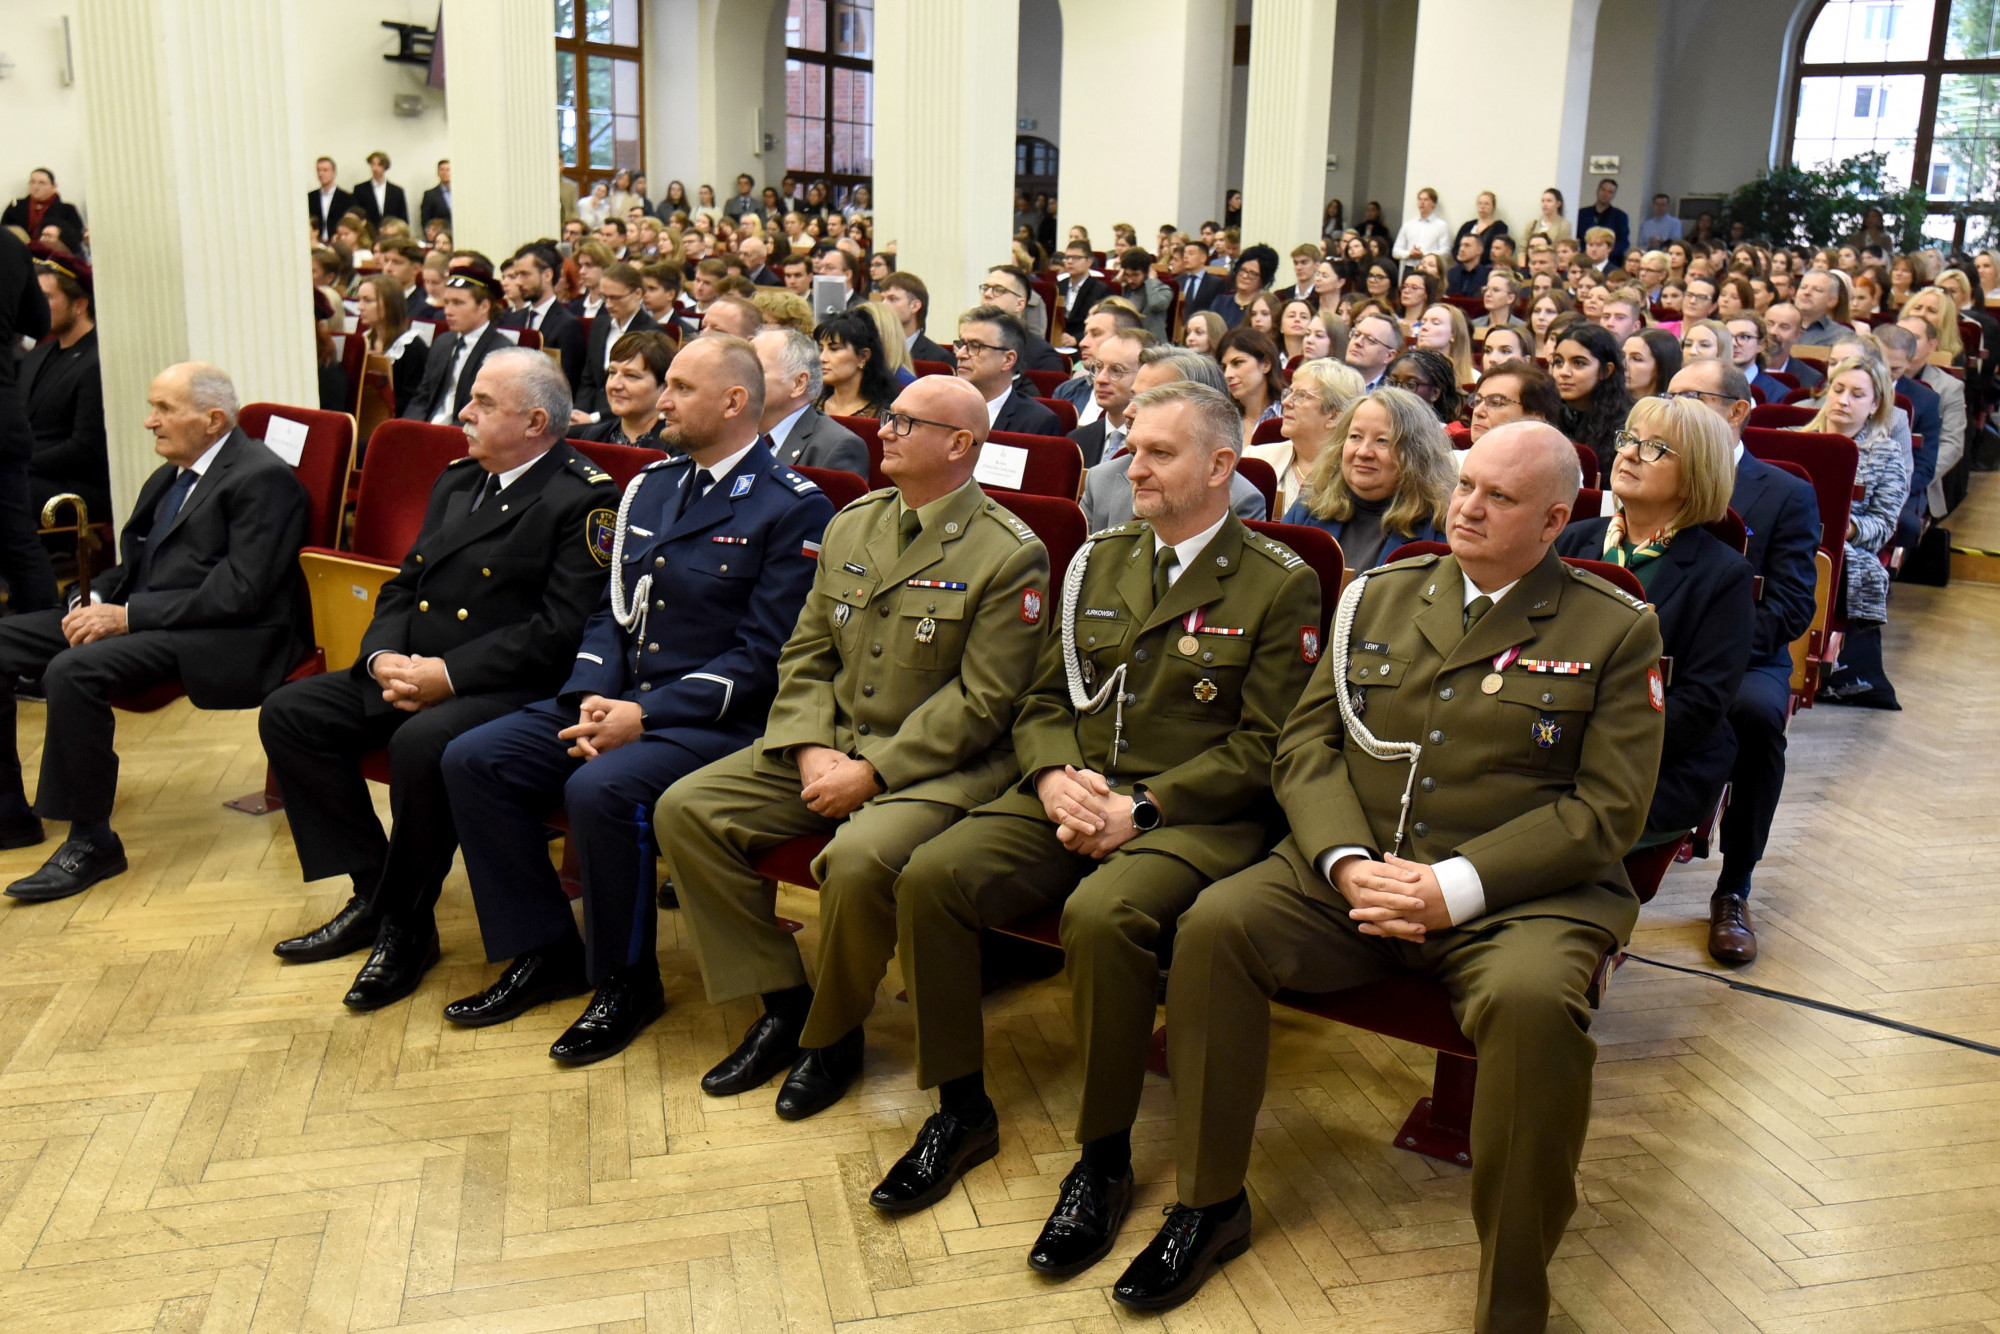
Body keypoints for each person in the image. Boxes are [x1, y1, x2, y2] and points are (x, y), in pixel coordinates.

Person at [1131, 420, 1664, 1319]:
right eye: (1467, 486)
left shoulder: (1613, 628)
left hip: (1520, 899)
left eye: (1501, 497)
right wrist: (1345, 863)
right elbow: (1307, 748)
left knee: (1534, 1008)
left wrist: (1450, 888)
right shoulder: (1378, 594)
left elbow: (1607, 811)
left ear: (1553, 521)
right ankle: (1208, 1203)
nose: (1470, 508)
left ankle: (1512, 1297)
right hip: (1356, 869)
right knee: (1217, 928)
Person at [876, 380, 1321, 1248]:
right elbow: (1044, 697)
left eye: (1159, 452)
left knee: (1102, 915)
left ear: (1220, 467)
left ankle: (1103, 1157)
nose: (1132, 466)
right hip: (1073, 788)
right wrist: (1051, 777)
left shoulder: (1278, 583)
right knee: (931, 877)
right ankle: (960, 1109)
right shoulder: (1099, 559)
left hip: (1192, 814)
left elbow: (1268, 746)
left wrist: (1144, 807)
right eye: (1132, 447)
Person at [658, 374, 1050, 1117]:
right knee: (687, 810)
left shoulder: (1008, 554)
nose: (885, 430)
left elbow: (985, 701)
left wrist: (873, 772)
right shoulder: (855, 522)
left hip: (939, 766)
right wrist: (810, 748)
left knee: (859, 861)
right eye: (889, 418)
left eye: (905, 422)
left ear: (959, 444)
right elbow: (807, 651)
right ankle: (783, 1001)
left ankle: (832, 1036)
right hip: (832, 742)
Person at [437, 336, 833, 1059]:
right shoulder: (651, 486)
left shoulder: (793, 508)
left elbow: (765, 657)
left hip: (716, 720)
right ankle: (545, 950)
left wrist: (645, 714)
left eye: (680, 388)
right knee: (475, 759)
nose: (663, 401)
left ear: (733, 402)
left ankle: (625, 981)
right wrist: (594, 692)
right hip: (619, 698)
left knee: (601, 790)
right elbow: (611, 613)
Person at [262, 349, 616, 1000]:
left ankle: (403, 926)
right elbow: (406, 585)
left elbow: (560, 630)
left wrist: (447, 675)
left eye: (484, 403)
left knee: (421, 743)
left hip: (512, 684)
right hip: (419, 668)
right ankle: (375, 894)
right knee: (292, 714)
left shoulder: (583, 498)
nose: (465, 413)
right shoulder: (461, 479)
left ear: (535, 422)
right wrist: (382, 659)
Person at [0, 363, 311, 900]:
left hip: (223, 636)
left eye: (164, 409)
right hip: (147, 616)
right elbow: (135, 565)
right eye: (152, 408)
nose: (150, 421)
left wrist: (127, 616)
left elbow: (242, 592)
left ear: (213, 419)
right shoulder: (173, 473)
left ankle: (91, 840)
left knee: (73, 670)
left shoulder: (262, 478)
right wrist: (95, 598)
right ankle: (8, 812)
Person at [1662, 359, 1819, 964]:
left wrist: (1715, 649)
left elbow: (1790, 605)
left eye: (1691, 397)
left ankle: (1734, 885)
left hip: (1746, 654)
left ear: (1736, 411)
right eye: (1669, 397)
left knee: (1754, 715)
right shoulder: (1650, 474)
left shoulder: (1784, 492)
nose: (1675, 410)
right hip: (1654, 642)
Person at [1557, 395, 1753, 851]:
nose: (1628, 454)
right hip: (1546, 743)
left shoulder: (1724, 574)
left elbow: (1702, 703)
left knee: (1555, 832)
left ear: (1695, 474)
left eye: (1654, 448)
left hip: (1655, 764)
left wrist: (1592, 743)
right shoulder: (1571, 541)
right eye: (1629, 439)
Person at [1801, 356, 1907, 708]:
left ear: (1875, 404)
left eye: (1857, 395)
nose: (1843, 400)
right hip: (1788, 538)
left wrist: (1847, 529)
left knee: (1836, 564)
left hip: (1844, 547)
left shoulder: (1886, 453)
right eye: (1838, 389)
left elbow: (1884, 523)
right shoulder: (1793, 438)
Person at [1081, 349, 1267, 532]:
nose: (1127, 412)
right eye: (1133, 397)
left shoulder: (1238, 500)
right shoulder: (1100, 480)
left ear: (1204, 409)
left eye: (1150, 401)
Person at [1283, 381, 1453, 566]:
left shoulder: (1438, 529)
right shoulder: (1309, 505)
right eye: (1355, 437)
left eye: (1382, 441)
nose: (1363, 452)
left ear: (1415, 453)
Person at [22, 255, 107, 519]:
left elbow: (85, 447)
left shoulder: (97, 359)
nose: (37, 307)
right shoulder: (36, 356)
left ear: (79, 304)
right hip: (32, 475)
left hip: (74, 483)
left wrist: (18, 462)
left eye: (46, 298)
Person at [1247, 357, 1363, 515]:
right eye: (1288, 393)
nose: (1286, 402)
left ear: (1334, 416)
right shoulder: (1255, 458)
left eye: (1301, 396)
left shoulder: (1355, 472)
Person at [752, 326, 870, 476]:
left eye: (755, 370)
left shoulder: (836, 447)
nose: (740, 380)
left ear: (798, 383)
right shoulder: (737, 435)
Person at [402, 269, 511, 425]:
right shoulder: (442, 342)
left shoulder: (500, 351)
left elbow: (486, 411)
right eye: (446, 303)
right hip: (430, 426)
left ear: (484, 306)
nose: (448, 311)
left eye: (458, 303)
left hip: (464, 430)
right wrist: (409, 426)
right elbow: (423, 396)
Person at [954, 307, 1064, 436]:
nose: (960, 354)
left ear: (1008, 360)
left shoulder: (1037, 422)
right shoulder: (940, 407)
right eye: (961, 344)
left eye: (975, 346)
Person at [1899, 314, 1967, 520]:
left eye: (1914, 338)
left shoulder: (1949, 387)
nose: (1905, 343)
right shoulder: (1867, 380)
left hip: (1919, 481)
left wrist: (1916, 477)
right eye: (1900, 336)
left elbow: (1952, 445)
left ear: (1932, 345)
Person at [500, 244, 588, 390]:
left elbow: (567, 381)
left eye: (525, 274)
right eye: (516, 275)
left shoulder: (567, 324)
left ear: (547, 275)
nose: (518, 282)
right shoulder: (510, 320)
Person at [1551, 322, 1633, 474]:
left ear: (1606, 371)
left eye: (1578, 363)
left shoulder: (1627, 426)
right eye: (1559, 362)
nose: (1564, 372)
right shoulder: (1544, 414)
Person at [571, 330, 674, 449]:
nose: (615, 385)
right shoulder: (593, 437)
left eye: (631, 376)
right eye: (612, 372)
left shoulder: (676, 445)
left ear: (664, 387)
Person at [1068, 327, 1150, 469]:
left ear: (1145, 376)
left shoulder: (1157, 447)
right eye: (1098, 367)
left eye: (1116, 370)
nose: (1101, 379)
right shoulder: (1076, 441)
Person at [353, 275, 430, 418]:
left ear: (389, 305)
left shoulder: (412, 347)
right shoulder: (364, 340)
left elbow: (412, 400)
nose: (360, 307)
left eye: (368, 301)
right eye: (359, 300)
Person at [976, 266, 1067, 372]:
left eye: (998, 290)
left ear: (1019, 304)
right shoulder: (967, 344)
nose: (987, 294)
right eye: (986, 288)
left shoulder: (1042, 357)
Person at [814, 307, 897, 420]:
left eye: (834, 349)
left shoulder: (885, 415)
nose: (822, 358)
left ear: (863, 356)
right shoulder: (808, 406)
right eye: (820, 349)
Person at [1216, 325, 1283, 450]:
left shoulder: (1288, 415)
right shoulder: (1223, 420)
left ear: (1266, 364)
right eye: (1224, 367)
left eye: (1237, 363)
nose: (1228, 375)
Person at [1467, 362, 1563, 444]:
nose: (1477, 411)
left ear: (1535, 418)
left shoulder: (1556, 460)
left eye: (1495, 403)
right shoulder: (1458, 458)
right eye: (1477, 401)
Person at [1205, 244, 1278, 330]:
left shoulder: (1265, 306)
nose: (1244, 276)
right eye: (1243, 270)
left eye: (1252, 273)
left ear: (1264, 279)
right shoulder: (1220, 301)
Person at [1055, 242, 1114, 345]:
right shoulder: (1058, 286)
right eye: (1067, 257)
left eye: (1076, 258)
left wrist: (1076, 339)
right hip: (1058, 339)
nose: (1070, 262)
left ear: (1089, 261)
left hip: (1085, 340)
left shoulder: (1100, 290)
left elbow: (1101, 324)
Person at [1385, 348, 1464, 425]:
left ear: (1434, 393)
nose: (1397, 390)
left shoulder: (1445, 433)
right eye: (1392, 382)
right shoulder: (1379, 424)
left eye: (1410, 385)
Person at [1724, 313, 1787, 403]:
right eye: (1728, 337)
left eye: (1744, 337)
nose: (1733, 343)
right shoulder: (1708, 385)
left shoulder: (1778, 394)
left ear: (1761, 345)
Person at [1762, 302, 1824, 389]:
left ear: (1798, 335)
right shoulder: (1743, 367)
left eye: (1784, 327)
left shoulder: (1810, 379)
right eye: (1769, 324)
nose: (1773, 331)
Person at [1115, 249, 1173, 342]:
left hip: (1152, 343)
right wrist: (1116, 281)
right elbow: (1106, 305)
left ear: (1147, 273)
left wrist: (1152, 280)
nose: (1130, 280)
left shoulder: (1162, 289)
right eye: (1127, 275)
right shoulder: (1124, 289)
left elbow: (1156, 304)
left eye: (1135, 275)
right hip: (1126, 340)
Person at [1391, 187, 1451, 268]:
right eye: (1419, 199)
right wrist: (1409, 254)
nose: (1422, 202)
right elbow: (1395, 251)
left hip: (1429, 268)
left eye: (1426, 200)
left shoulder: (1441, 225)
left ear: (1433, 204)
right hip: (1410, 267)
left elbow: (1446, 252)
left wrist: (1424, 254)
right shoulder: (1408, 225)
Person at [1343, 309, 1402, 391]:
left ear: (1389, 356)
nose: (1358, 342)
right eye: (1356, 335)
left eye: (1370, 340)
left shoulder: (1393, 395)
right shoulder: (1330, 381)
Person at [1579, 177, 1632, 266]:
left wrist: (1605, 253)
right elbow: (1578, 238)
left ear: (1613, 195)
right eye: (1603, 190)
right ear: (1597, 190)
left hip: (1610, 261)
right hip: (1585, 260)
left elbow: (1623, 242)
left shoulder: (1620, 216)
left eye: (1610, 192)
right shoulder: (1582, 214)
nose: (1605, 194)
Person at [1792, 270, 1852, 348]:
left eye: (1817, 290)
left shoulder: (1841, 335)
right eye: (1803, 287)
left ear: (1832, 300)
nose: (1807, 292)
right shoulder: (1776, 326)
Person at [349, 151, 407, 230]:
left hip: (392, 232)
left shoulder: (397, 191)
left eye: (379, 165)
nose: (375, 168)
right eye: (373, 164)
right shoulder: (360, 189)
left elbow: (403, 218)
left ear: (385, 167)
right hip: (368, 232)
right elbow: (356, 214)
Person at [1624, 327, 1681, 400]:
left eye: (1636, 359)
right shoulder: (1611, 400)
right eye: (1622, 356)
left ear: (1661, 366)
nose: (1623, 365)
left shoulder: (1674, 406)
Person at [307, 157, 353, 243]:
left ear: (334, 173)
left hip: (338, 242)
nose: (321, 173)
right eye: (318, 170)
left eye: (325, 170)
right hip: (316, 242)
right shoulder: (310, 197)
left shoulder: (347, 198)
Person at [1444, 233, 1491, 299]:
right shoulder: (1451, 274)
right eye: (1461, 245)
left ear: (1479, 250)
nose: (1461, 249)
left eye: (1467, 245)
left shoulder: (1487, 276)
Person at [419, 159, 451, 234]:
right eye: (442, 170)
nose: (445, 173)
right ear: (438, 173)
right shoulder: (430, 195)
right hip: (440, 236)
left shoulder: (460, 194)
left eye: (448, 170)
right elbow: (425, 221)